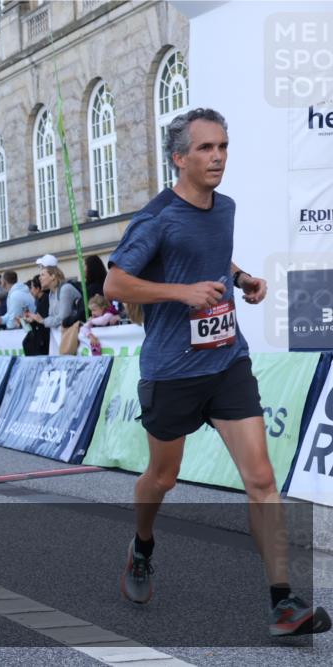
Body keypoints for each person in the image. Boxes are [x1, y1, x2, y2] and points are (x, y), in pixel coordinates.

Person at [104, 107, 330, 636]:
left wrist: (242, 276)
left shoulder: (224, 207)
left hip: (227, 360)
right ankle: (141, 546)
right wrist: (180, 293)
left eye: (223, 146)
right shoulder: (156, 218)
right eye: (206, 149)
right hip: (172, 371)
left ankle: (283, 603)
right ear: (179, 158)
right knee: (161, 478)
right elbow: (115, 285)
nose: (218, 157)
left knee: (262, 479)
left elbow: (212, 256)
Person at [23, 266, 80, 334]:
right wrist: (37, 320)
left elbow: (63, 318)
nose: (39, 278)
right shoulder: (51, 293)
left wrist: (43, 321)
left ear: (53, 276)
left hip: (74, 334)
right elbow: (52, 316)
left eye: (43, 275)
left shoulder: (65, 289)